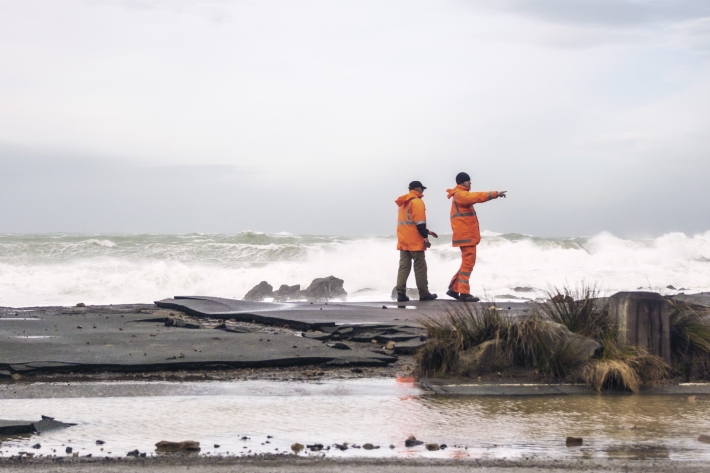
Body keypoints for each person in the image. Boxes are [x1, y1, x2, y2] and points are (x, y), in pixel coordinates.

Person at [446, 172, 506, 302]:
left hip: (465, 236)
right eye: (468, 181)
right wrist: (495, 194)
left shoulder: (459, 195)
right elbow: (477, 197)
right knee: (468, 265)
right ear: (462, 182)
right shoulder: (461, 195)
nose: (470, 183)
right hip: (466, 236)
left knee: (466, 264)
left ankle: (454, 289)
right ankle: (464, 293)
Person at [395, 181, 439, 302]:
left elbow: (409, 223)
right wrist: (425, 236)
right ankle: (424, 293)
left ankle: (400, 293)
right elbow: (419, 222)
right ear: (417, 188)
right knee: (420, 266)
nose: (423, 191)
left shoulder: (404, 203)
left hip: (403, 239)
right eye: (422, 189)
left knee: (404, 267)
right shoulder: (417, 201)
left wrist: (427, 231)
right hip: (414, 241)